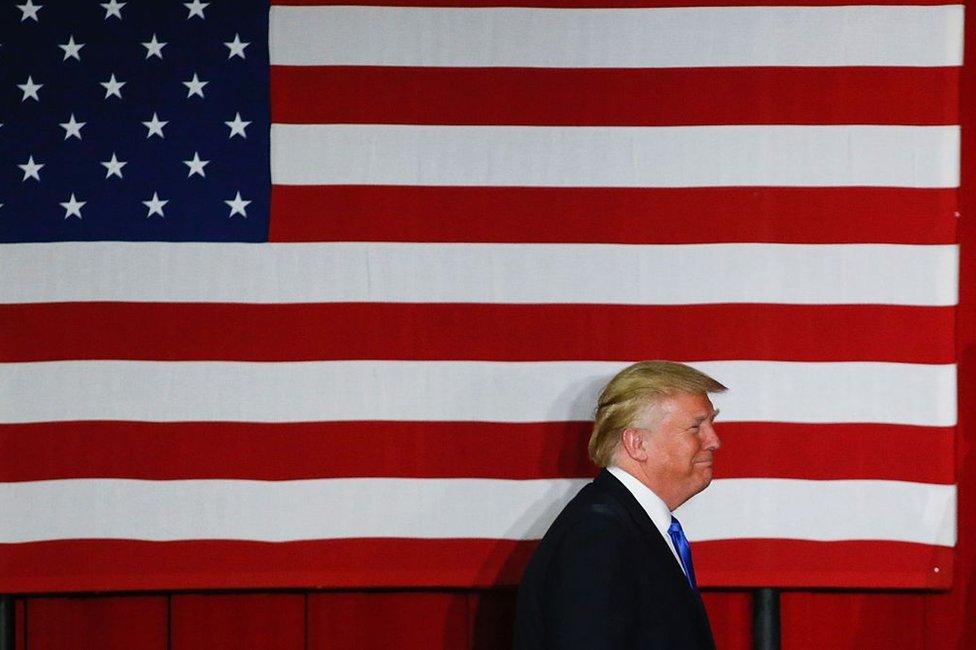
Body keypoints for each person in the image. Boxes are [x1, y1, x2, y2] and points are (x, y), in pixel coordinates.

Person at [514, 361, 726, 649]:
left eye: (711, 424)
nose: (714, 441)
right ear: (637, 443)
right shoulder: (598, 535)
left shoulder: (623, 525)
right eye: (695, 427)